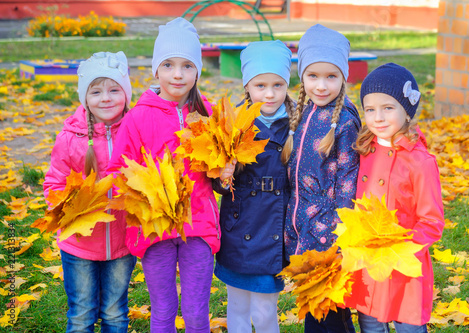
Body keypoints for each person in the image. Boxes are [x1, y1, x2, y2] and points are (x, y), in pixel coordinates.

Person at [106, 17, 220, 333]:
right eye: (168, 65)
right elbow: (118, 171)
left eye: (187, 65)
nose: (178, 74)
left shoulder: (207, 113)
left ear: (198, 70)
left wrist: (226, 171)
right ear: (156, 70)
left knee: (197, 312)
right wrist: (132, 196)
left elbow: (221, 166)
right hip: (153, 228)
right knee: (164, 310)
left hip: (197, 225)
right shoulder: (138, 117)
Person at [345, 63, 445, 332]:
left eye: (388, 108)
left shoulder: (420, 162)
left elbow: (432, 221)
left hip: (403, 265)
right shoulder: (363, 150)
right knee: (371, 323)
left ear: (407, 111)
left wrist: (398, 250)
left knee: (408, 325)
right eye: (370, 109)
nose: (378, 117)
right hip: (368, 261)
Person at [43, 51, 136, 333]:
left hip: (121, 243)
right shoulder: (70, 138)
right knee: (82, 313)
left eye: (113, 90)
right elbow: (54, 184)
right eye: (95, 91)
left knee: (115, 312)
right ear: (85, 98)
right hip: (79, 244)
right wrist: (69, 204)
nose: (105, 98)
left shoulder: (134, 132)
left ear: (126, 93)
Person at [281, 24, 360, 333]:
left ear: (344, 77)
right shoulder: (302, 112)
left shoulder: (344, 121)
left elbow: (347, 184)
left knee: (333, 317)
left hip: (328, 238)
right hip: (301, 232)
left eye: (331, 76)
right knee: (314, 312)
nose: (322, 86)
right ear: (302, 77)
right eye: (313, 76)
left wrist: (339, 238)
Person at [213, 40, 293, 333]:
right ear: (247, 86)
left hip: (272, 231)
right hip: (239, 226)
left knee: (264, 311)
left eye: (277, 85)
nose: (269, 94)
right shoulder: (233, 123)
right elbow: (219, 185)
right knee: (237, 306)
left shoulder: (296, 124)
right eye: (260, 85)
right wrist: (223, 175)